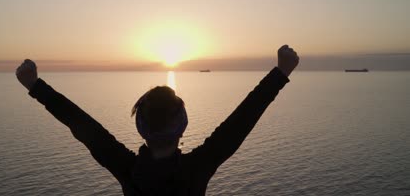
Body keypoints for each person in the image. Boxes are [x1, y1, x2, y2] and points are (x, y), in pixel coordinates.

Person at [16, 45, 299, 195]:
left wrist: (35, 86)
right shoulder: (199, 167)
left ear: (141, 128)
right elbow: (243, 119)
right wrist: (281, 72)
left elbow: (81, 124)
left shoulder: (126, 168)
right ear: (183, 126)